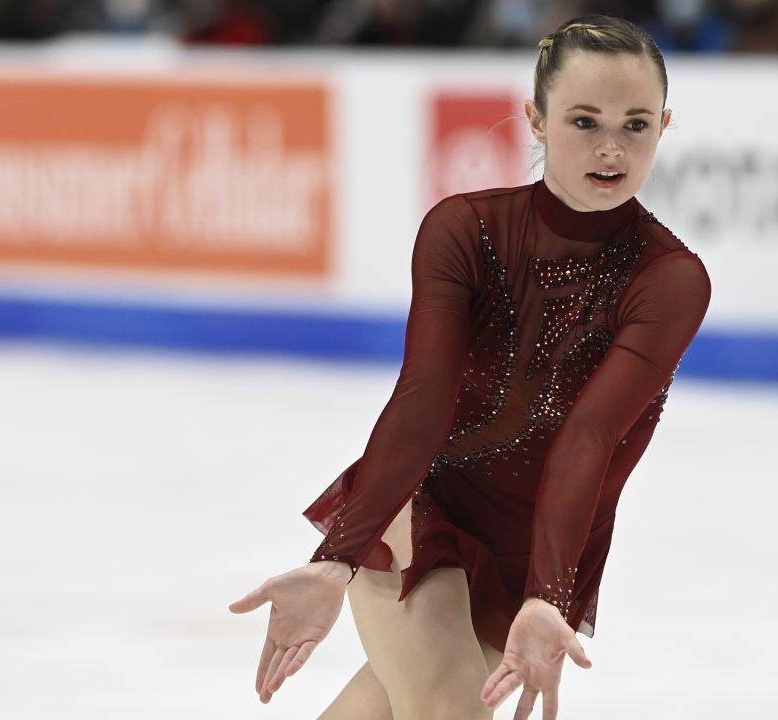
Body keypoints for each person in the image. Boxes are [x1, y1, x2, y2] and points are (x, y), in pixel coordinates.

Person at [228, 14, 710, 720]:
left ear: (664, 127)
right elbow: (423, 395)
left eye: (636, 125)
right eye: (584, 121)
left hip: (531, 551)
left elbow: (590, 436)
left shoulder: (668, 280)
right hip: (422, 512)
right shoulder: (466, 230)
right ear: (537, 121)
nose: (611, 148)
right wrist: (339, 553)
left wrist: (547, 593)